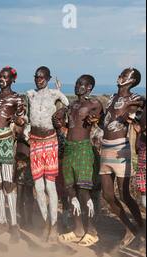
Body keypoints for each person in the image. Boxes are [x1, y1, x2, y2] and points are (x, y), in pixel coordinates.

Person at [98, 67, 145, 251]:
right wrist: (98, 119)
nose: (120, 76)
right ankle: (130, 229)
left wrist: (136, 117)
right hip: (105, 147)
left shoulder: (135, 98)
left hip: (120, 149)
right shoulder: (111, 97)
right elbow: (106, 121)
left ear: (132, 81)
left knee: (125, 194)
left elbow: (143, 112)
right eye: (121, 73)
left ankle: (142, 231)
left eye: (125, 75)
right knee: (107, 195)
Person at [53, 75, 103, 247]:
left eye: (81, 84)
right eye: (76, 83)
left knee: (83, 191)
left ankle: (92, 231)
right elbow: (62, 121)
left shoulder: (94, 104)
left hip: (83, 148)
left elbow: (99, 119)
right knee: (71, 192)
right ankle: (78, 230)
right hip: (69, 149)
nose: (77, 86)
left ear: (89, 87)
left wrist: (95, 117)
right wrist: (59, 116)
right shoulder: (71, 105)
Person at [23, 66, 69, 244]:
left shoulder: (55, 94)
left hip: (50, 143)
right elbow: (28, 116)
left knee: (50, 187)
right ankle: (45, 223)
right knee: (38, 187)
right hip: (34, 142)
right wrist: (22, 121)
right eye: (36, 77)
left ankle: (55, 226)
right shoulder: (29, 94)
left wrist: (62, 112)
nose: (38, 80)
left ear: (48, 78)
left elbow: (68, 107)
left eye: (42, 77)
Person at [0, 66, 26, 243]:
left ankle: (14, 224)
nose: (1, 79)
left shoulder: (17, 97)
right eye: (0, 77)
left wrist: (18, 120)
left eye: (5, 77)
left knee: (8, 184)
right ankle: (2, 222)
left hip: (6, 142)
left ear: (12, 79)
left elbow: (24, 119)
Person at [14, 123, 35, 229]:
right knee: (20, 194)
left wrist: (24, 137)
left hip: (29, 163)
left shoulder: (33, 128)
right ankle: (22, 220)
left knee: (29, 195)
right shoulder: (20, 128)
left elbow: (35, 145)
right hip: (19, 162)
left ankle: (30, 220)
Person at [136, 105, 146, 209]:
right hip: (143, 150)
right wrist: (139, 133)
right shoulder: (143, 104)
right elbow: (136, 149)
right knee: (144, 194)